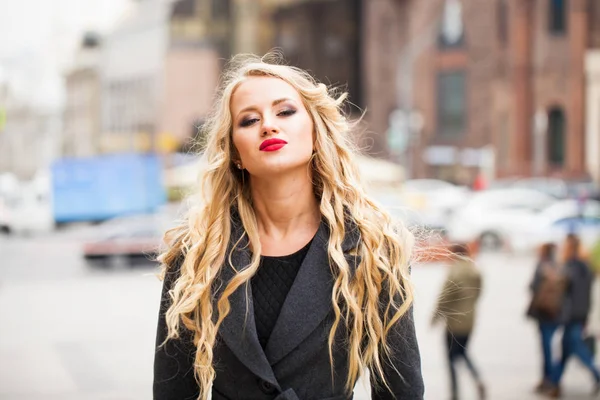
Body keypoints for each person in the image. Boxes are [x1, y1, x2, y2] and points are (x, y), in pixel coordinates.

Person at [152, 53, 424, 400]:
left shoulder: (374, 247)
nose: (268, 124)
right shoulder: (196, 253)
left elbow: (402, 392)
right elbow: (171, 392)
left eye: (285, 112)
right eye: (249, 120)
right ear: (235, 151)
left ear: (315, 131)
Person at [544, 234, 600, 398]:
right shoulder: (586, 267)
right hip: (580, 315)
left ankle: (596, 375)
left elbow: (566, 296)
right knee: (565, 352)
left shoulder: (569, 268)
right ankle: (554, 384)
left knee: (577, 350)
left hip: (570, 317)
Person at [431, 243, 486, 400]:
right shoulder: (475, 270)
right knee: (462, 352)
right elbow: (479, 292)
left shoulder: (454, 272)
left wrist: (435, 317)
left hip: (454, 323)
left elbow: (444, 297)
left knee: (451, 358)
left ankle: (454, 393)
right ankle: (477, 378)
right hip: (470, 320)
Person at [526, 243, 563, 393]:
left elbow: (532, 286)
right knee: (552, 347)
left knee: (546, 347)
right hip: (556, 312)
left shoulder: (541, 267)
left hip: (543, 312)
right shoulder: (560, 266)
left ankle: (549, 378)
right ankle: (552, 378)